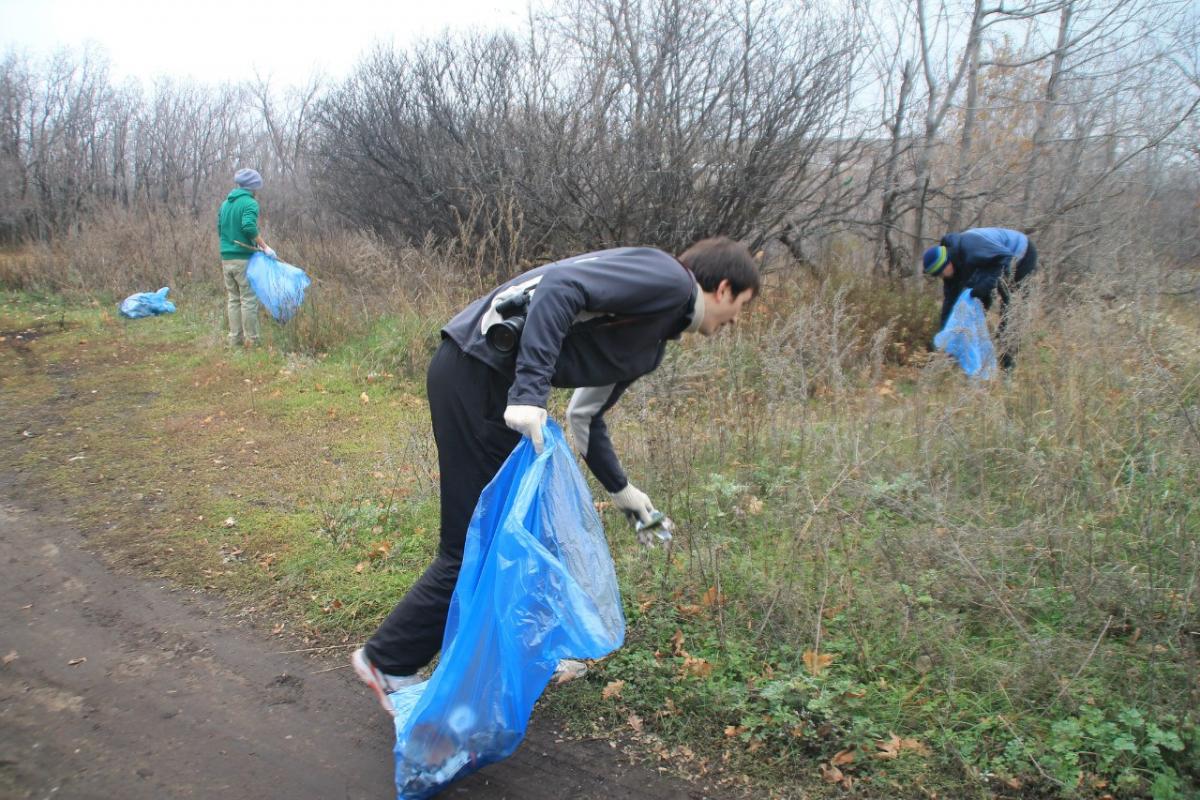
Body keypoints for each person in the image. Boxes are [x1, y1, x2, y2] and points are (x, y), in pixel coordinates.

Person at [351, 237, 760, 715]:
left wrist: (623, 491)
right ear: (724, 288)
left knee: (528, 531)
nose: (735, 321)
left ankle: (534, 652)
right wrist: (529, 392)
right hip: (478, 373)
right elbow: (563, 287)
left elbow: (587, 417)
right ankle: (388, 660)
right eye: (741, 307)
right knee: (473, 546)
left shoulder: (651, 341)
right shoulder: (668, 279)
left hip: (489, 383)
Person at [923, 227, 1038, 370]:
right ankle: (970, 355)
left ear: (946, 264)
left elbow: (1004, 258)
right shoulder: (952, 267)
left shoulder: (970, 248)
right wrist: (945, 338)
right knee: (975, 301)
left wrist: (983, 287)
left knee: (1010, 309)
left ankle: (1007, 364)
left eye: (939, 273)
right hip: (996, 260)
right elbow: (950, 303)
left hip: (1021, 254)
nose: (941, 277)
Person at [216, 168, 275, 347]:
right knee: (248, 299)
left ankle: (235, 340)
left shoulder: (225, 204)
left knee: (233, 299)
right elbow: (248, 226)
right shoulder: (249, 203)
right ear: (253, 187)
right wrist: (265, 247)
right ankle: (253, 341)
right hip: (243, 259)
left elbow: (220, 229)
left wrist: (229, 246)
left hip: (226, 258)